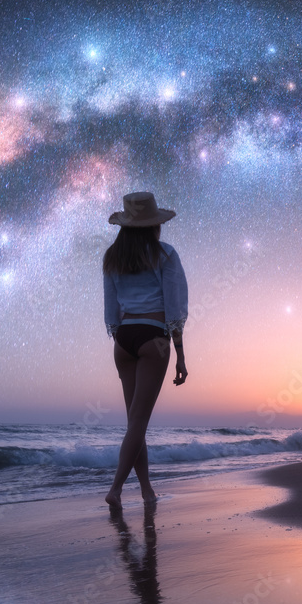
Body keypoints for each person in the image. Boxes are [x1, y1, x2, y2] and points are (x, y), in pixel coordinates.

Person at [102, 192, 188, 511]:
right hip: (154, 337)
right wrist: (180, 355)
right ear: (154, 226)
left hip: (123, 340)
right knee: (139, 421)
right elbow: (174, 309)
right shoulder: (165, 256)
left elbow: (111, 312)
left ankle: (147, 488)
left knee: (134, 422)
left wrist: (122, 339)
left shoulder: (112, 258)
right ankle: (115, 489)